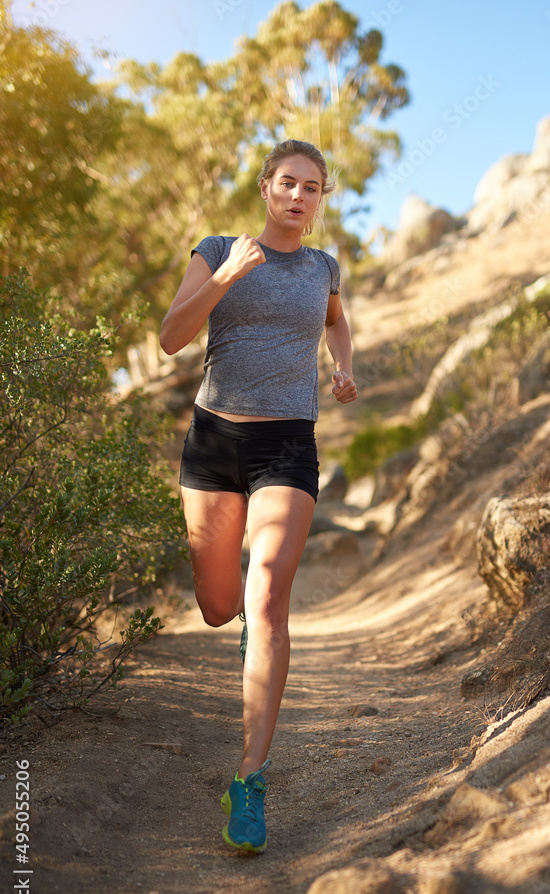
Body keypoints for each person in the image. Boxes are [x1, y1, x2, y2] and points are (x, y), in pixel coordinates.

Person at [159, 139, 357, 854]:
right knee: (220, 606)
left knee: (268, 591)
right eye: (288, 183)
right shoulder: (218, 248)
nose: (299, 196)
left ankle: (249, 782)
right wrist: (226, 278)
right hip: (215, 443)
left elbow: (336, 319)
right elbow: (170, 338)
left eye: (313, 187)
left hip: (286, 445)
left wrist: (343, 366)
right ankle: (243, 623)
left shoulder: (322, 268)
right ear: (266, 188)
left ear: (321, 198)